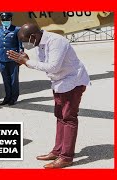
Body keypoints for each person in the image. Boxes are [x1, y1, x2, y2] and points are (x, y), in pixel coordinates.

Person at [7, 23, 90, 169]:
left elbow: (53, 67)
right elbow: (45, 64)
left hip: (72, 82)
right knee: (60, 117)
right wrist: (26, 61)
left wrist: (27, 62)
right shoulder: (40, 43)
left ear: (33, 36)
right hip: (60, 83)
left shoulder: (56, 41)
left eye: (25, 40)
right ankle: (58, 151)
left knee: (69, 118)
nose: (25, 44)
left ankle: (66, 157)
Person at [0, 12, 23, 106]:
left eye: (7, 20)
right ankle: (7, 97)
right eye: (3, 20)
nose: (5, 22)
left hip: (13, 59)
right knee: (5, 79)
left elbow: (20, 45)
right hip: (1, 59)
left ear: (11, 20)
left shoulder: (17, 29)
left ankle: (13, 98)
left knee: (14, 80)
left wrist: (20, 58)